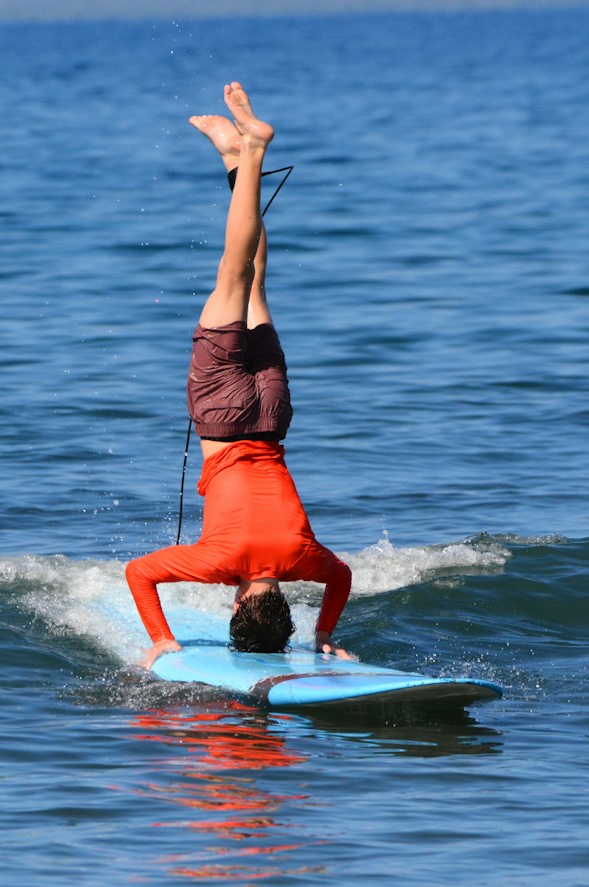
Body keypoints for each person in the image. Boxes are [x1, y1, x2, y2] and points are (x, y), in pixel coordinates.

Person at [126, 82, 353, 670]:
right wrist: (160, 637)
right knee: (233, 270)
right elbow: (139, 572)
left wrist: (323, 633)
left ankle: (234, 158)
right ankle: (251, 152)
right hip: (225, 420)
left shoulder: (305, 562)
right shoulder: (218, 565)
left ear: (283, 606)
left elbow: (341, 578)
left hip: (272, 417)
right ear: (235, 608)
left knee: (253, 281)